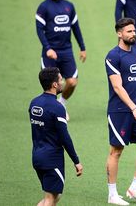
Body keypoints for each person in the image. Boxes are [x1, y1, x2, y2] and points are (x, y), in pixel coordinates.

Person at [105, 18, 136, 205]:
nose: (133, 34)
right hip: (119, 111)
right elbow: (117, 87)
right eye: (129, 31)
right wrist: (133, 107)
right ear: (119, 33)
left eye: (134, 31)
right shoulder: (113, 56)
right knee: (116, 151)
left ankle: (135, 187)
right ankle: (112, 194)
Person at [29, 67, 83, 206]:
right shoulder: (57, 107)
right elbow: (64, 137)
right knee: (50, 199)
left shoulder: (34, 103)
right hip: (52, 159)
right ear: (54, 84)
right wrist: (76, 161)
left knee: (53, 197)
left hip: (37, 156)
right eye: (60, 80)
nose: (63, 82)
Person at [35, 0, 87, 121]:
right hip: (50, 52)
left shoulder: (69, 6)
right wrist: (47, 48)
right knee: (50, 86)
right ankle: (49, 112)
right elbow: (39, 30)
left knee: (72, 82)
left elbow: (76, 28)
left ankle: (61, 105)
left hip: (66, 51)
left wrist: (82, 48)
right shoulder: (43, 7)